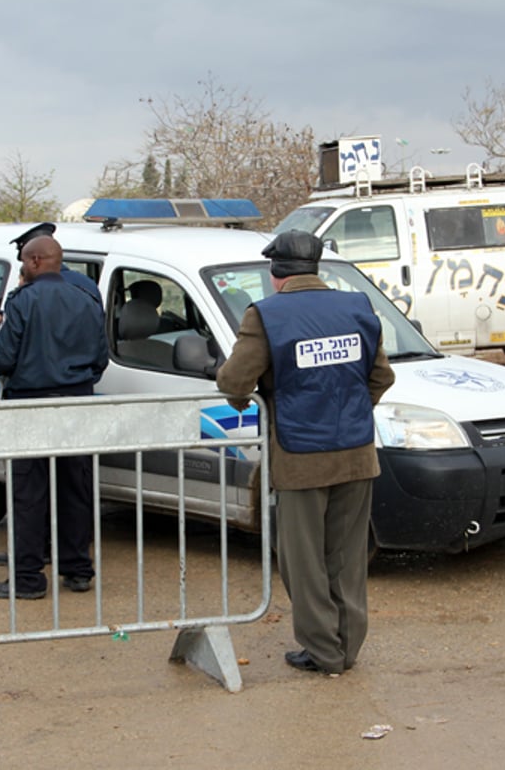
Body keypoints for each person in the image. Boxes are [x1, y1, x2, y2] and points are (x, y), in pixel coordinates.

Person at [215, 229, 395, 676]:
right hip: (355, 452)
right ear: (315, 268)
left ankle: (323, 652)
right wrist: (349, 411)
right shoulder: (356, 306)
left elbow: (235, 382)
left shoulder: (266, 315)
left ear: (275, 274)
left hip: (299, 456)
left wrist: (249, 400)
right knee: (346, 557)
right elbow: (381, 377)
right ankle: (348, 647)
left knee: (303, 560)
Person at [0, 233, 108, 599]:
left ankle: (29, 578)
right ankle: (78, 569)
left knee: (29, 494)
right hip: (77, 403)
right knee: (76, 488)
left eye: (23, 263)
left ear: (34, 262)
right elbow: (100, 358)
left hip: (30, 405)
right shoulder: (86, 298)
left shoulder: (23, 300)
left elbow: (2, 359)